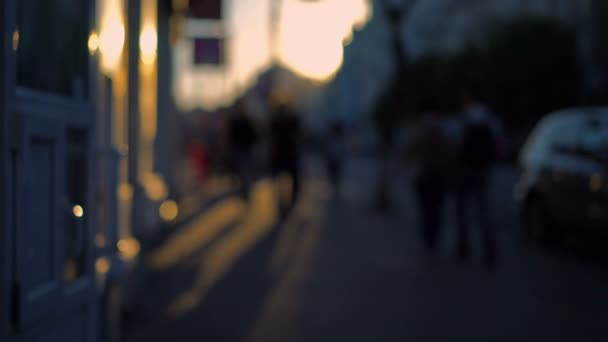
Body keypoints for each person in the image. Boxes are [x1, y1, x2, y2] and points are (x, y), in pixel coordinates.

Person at [454, 90, 504, 267]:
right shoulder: (490, 118)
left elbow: (457, 143)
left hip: (464, 168)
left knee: (462, 208)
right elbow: (499, 144)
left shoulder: (464, 117)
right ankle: (488, 244)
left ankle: (463, 244)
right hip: (482, 168)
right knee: (483, 208)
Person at [404, 101, 455, 257]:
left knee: (428, 211)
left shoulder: (419, 130)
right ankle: (432, 240)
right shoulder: (442, 130)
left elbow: (408, 153)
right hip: (433, 176)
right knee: (434, 211)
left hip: (427, 176)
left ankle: (430, 240)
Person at [269, 103, 303, 214]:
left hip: (286, 154)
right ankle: (285, 201)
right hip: (284, 154)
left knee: (284, 178)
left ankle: (286, 201)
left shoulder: (278, 121)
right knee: (285, 178)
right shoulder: (279, 122)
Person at [227, 101, 258, 200]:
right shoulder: (235, 121)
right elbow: (231, 137)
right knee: (243, 173)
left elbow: (253, 134)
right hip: (240, 151)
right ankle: (245, 191)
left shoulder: (245, 120)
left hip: (247, 150)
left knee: (247, 171)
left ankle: (248, 190)